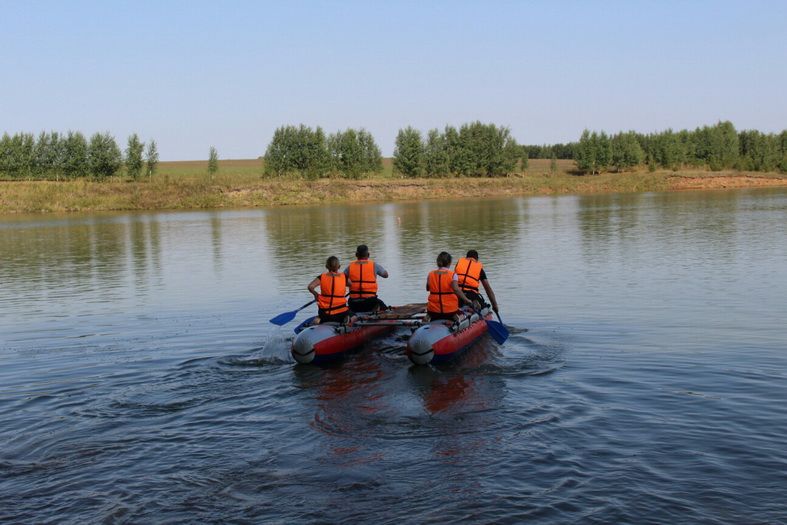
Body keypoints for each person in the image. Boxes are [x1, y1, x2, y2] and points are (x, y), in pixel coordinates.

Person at [426, 251, 476, 321]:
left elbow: (428, 288)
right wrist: (467, 300)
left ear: (438, 262)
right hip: (449, 311)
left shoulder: (430, 274)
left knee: (432, 313)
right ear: (449, 263)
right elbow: (456, 289)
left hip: (433, 311)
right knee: (462, 315)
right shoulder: (452, 275)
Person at [344, 244, 389, 313]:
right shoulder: (374, 265)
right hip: (370, 303)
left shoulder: (350, 267)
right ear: (368, 255)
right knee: (384, 309)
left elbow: (341, 279)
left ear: (356, 255)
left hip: (354, 303)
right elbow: (386, 275)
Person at [454, 249, 499, 314]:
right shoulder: (479, 268)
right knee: (485, 307)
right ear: (477, 259)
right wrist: (494, 305)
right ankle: (475, 306)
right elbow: (488, 289)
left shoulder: (459, 264)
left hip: (457, 294)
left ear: (466, 257)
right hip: (471, 294)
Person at [307, 256, 350, 324]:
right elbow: (352, 285)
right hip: (341, 312)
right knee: (353, 315)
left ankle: (318, 320)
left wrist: (316, 294)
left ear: (326, 266)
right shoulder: (344, 277)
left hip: (325, 313)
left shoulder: (322, 277)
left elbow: (310, 287)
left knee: (320, 316)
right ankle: (347, 321)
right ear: (339, 267)